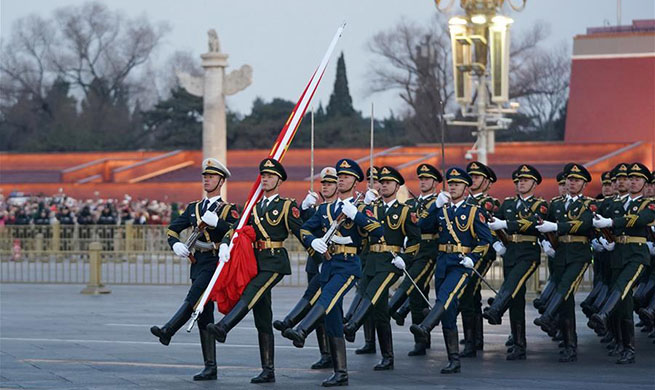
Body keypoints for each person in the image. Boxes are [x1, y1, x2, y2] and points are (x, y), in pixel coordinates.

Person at [282, 158, 383, 387]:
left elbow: (378, 230)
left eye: (346, 177)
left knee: (326, 298)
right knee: (332, 319)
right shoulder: (327, 208)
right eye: (340, 176)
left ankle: (302, 329)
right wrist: (313, 240)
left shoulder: (360, 207)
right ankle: (341, 373)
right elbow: (306, 228)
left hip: (348, 265)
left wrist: (356, 215)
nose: (341, 179)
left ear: (356, 181)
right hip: (328, 264)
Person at [207, 158, 305, 383]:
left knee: (251, 291)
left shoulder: (287, 206)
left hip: (275, 262)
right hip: (257, 261)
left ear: (279, 180)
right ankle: (268, 369)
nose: (266, 179)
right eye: (263, 175)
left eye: (270, 176)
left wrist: (318, 254)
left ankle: (224, 326)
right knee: (263, 316)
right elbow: (237, 227)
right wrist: (225, 241)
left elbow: (301, 232)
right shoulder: (254, 205)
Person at [151, 158, 238, 381]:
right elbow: (173, 229)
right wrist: (176, 244)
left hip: (215, 262)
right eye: (205, 177)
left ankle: (168, 330)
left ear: (221, 181)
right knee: (204, 314)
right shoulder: (194, 208)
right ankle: (210, 366)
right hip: (197, 262)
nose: (207, 180)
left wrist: (217, 223)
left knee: (195, 298)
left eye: (211, 177)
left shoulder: (228, 209)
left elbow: (236, 230)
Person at [409, 167, 492, 374]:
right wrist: (435, 206)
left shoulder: (474, 211)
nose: (453, 187)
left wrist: (473, 258)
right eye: (451, 183)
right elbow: (423, 226)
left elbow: (485, 240)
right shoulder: (442, 210)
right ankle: (453, 359)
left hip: (461, 264)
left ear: (466, 187)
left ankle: (426, 326)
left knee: (445, 297)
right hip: (443, 262)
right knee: (448, 311)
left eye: (457, 184)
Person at [342, 165, 421, 371]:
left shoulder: (404, 211)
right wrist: (361, 208)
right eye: (382, 182)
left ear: (397, 186)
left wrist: (405, 258)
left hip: (391, 262)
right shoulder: (372, 208)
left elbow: (415, 240)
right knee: (379, 312)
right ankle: (388, 357)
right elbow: (360, 230)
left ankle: (352, 326)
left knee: (372, 292)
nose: (384, 185)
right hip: (372, 260)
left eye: (388, 183)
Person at [273, 166, 339, 370]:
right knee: (316, 308)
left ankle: (294, 325)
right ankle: (325, 353)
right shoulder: (316, 210)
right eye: (324, 184)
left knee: (327, 309)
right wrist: (303, 208)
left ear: (339, 186)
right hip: (315, 264)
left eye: (330, 183)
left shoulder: (343, 209)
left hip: (333, 264)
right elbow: (302, 229)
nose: (325, 187)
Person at [590, 163, 655, 364]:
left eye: (637, 179)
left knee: (622, 285)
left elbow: (638, 220)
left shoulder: (649, 205)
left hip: (637, 255)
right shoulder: (616, 203)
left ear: (645, 184)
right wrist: (603, 237)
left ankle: (602, 314)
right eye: (630, 178)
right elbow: (598, 218)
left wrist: (610, 223)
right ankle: (626, 347)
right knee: (624, 306)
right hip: (617, 254)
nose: (633, 181)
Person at [484, 164, 548, 360]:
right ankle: (519, 343)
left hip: (528, 253)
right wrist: (496, 242)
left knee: (512, 284)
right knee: (516, 299)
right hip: (510, 252)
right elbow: (493, 224)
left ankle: (496, 309)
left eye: (526, 181)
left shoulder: (541, 205)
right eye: (519, 181)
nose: (521, 183)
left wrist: (507, 224)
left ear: (534, 184)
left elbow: (533, 224)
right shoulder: (509, 204)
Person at [534, 163, 595, 363]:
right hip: (560, 254)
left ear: (584, 184)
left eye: (576, 180)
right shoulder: (557, 203)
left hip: (579, 253)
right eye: (569, 179)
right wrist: (545, 242)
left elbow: (585, 224)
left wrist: (557, 226)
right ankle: (570, 345)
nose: (571, 183)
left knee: (566, 286)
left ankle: (548, 317)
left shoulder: (590, 204)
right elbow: (544, 227)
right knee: (566, 302)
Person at [388, 163, 441, 356]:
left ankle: (393, 309)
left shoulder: (439, 202)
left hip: (428, 251)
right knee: (418, 297)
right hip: (411, 251)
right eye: (421, 179)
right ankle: (421, 340)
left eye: (427, 179)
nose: (423, 182)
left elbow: (425, 224)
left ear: (435, 182)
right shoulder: (410, 204)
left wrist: (437, 206)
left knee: (411, 285)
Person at [458, 161, 500, 357]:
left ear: (487, 182)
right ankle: (473, 337)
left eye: (477, 177)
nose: (473, 180)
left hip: (482, 253)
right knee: (470, 296)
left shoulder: (489, 203)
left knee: (468, 291)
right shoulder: (461, 201)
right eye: (471, 176)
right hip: (465, 254)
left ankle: (471, 342)